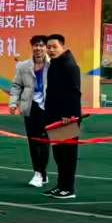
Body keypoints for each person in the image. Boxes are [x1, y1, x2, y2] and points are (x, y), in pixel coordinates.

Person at [41, 31, 83, 200]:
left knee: (67, 154)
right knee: (59, 154)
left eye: (54, 47)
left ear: (62, 47)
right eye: (48, 47)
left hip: (67, 118)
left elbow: (74, 92)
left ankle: (68, 189)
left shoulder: (69, 65)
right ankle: (60, 186)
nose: (51, 50)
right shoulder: (55, 64)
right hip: (55, 117)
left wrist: (69, 114)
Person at [7, 35, 50, 187]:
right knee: (33, 141)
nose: (38, 48)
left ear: (46, 48)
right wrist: (13, 103)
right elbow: (16, 86)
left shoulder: (53, 65)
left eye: (41, 45)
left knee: (45, 142)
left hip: (48, 108)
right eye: (36, 45)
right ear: (32, 47)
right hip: (30, 107)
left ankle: (42, 172)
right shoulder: (23, 66)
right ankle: (38, 173)